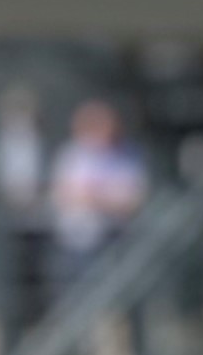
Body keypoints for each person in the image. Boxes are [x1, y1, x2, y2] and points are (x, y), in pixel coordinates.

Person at [48, 98, 147, 272]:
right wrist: (103, 199)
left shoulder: (129, 154)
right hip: (79, 239)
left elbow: (134, 199)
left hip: (117, 239)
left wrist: (95, 198)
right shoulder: (72, 154)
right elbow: (63, 195)